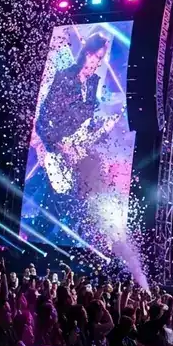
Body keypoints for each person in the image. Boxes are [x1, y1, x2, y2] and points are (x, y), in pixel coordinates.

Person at [22, 34, 112, 242]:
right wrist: (59, 145)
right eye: (97, 56)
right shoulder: (64, 77)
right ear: (87, 53)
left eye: (101, 59)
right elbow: (43, 119)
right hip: (56, 149)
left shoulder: (93, 83)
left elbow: (85, 120)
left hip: (75, 152)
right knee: (53, 199)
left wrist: (100, 128)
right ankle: (34, 238)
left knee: (70, 200)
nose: (98, 63)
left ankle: (54, 236)